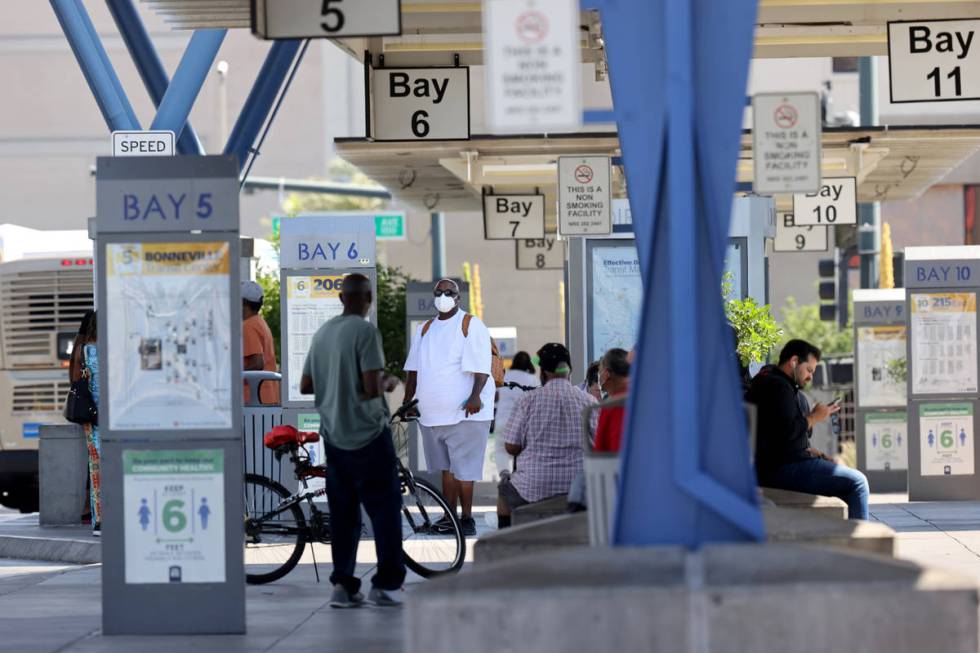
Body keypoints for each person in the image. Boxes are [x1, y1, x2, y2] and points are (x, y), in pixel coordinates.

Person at [299, 274, 405, 608]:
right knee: (386, 510)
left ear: (341, 298)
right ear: (367, 298)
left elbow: (305, 385)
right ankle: (385, 585)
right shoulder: (365, 331)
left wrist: (335, 387)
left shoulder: (323, 333)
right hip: (369, 436)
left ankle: (343, 587)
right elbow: (371, 386)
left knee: (344, 516)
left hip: (333, 436)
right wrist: (387, 382)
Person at [402, 278, 494, 537]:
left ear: (458, 297)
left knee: (464, 469)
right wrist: (408, 401)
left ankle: (466, 519)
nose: (443, 296)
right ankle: (449, 517)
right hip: (432, 416)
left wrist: (475, 397)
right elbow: (413, 370)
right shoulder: (425, 328)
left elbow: (482, 366)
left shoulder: (470, 324)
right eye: (439, 292)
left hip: (466, 413)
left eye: (449, 292)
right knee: (448, 470)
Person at [746, 339, 870, 520]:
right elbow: (786, 432)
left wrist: (815, 453)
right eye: (809, 370)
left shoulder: (779, 384)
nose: (811, 376)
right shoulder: (777, 386)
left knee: (847, 487)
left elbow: (781, 435)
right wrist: (814, 418)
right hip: (780, 470)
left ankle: (844, 536)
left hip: (782, 465)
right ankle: (863, 541)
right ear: (794, 361)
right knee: (858, 483)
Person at [497, 343, 597, 528]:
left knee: (504, 491)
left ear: (542, 372)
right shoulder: (589, 401)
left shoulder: (528, 400)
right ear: (569, 370)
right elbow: (598, 444)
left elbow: (511, 446)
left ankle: (504, 541)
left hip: (532, 488)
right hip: (576, 489)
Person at [70, 310, 101, 536]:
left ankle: (99, 518)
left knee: (96, 466)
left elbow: (75, 380)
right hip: (113, 414)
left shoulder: (82, 349)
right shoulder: (115, 349)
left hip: (91, 416)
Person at [493, 351, 539, 479]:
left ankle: (504, 474)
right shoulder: (532, 379)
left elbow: (495, 396)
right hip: (522, 423)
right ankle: (520, 478)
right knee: (521, 451)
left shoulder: (505, 376)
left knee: (500, 449)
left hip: (502, 420)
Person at [241, 280, 279, 405]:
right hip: (266, 397)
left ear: (243, 302)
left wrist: (231, 375)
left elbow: (257, 363)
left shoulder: (248, 326)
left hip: (254, 400)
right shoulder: (259, 322)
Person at [593, 348, 631, 453]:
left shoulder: (611, 406)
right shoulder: (643, 399)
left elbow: (600, 453)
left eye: (599, 371)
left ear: (606, 373)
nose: (599, 376)